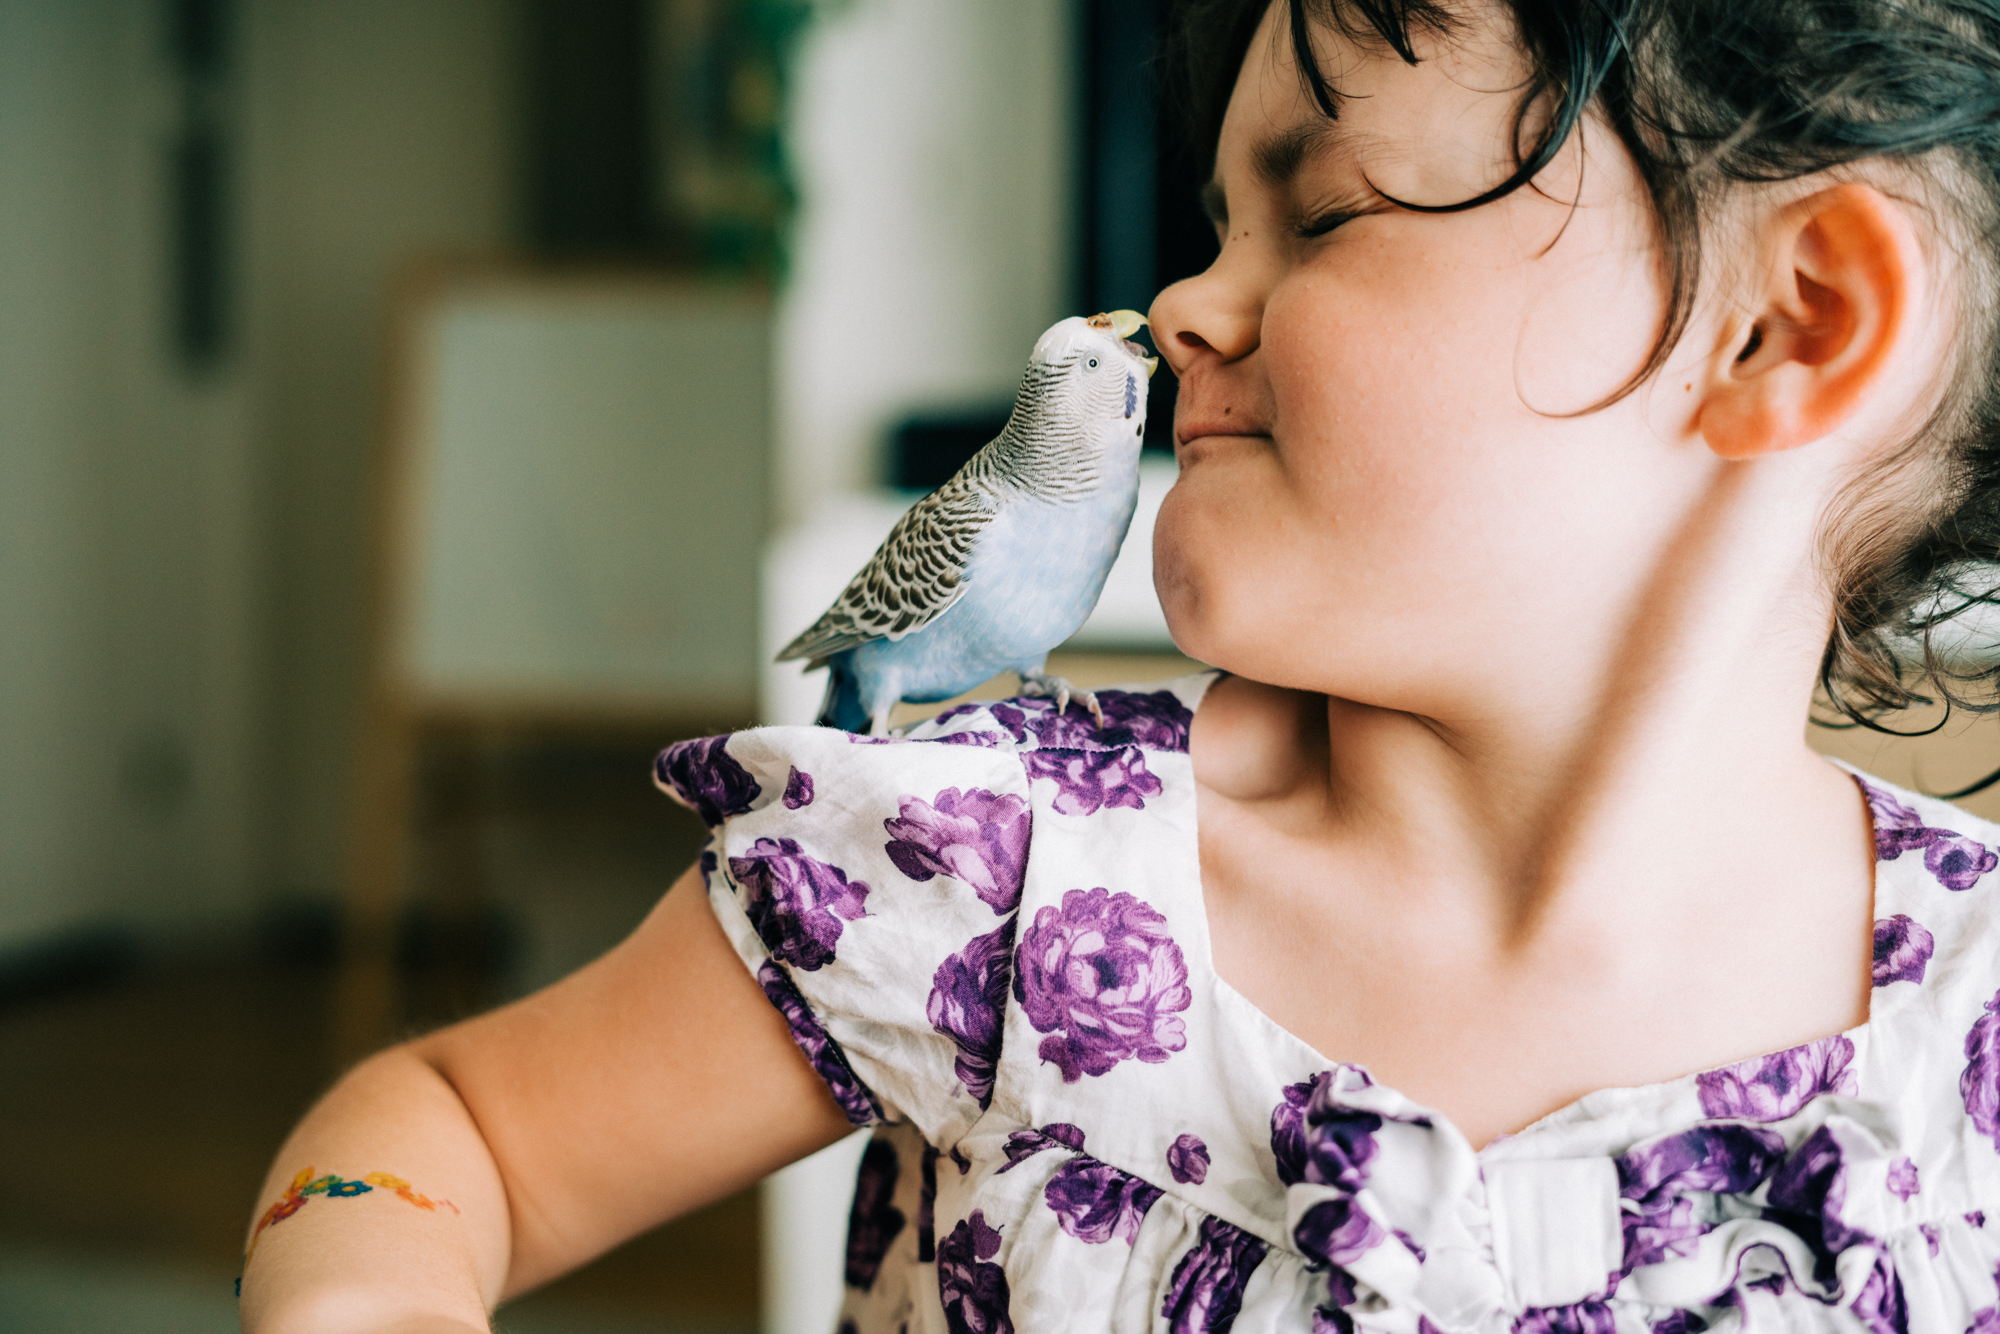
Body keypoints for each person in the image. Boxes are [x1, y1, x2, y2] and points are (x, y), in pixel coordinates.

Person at [239, 0, 2000, 1329]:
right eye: (1215, 225)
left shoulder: (1966, 1027)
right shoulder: (985, 868)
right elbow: (449, 1127)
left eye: (1320, 216)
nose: (1183, 301)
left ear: (1794, 325)